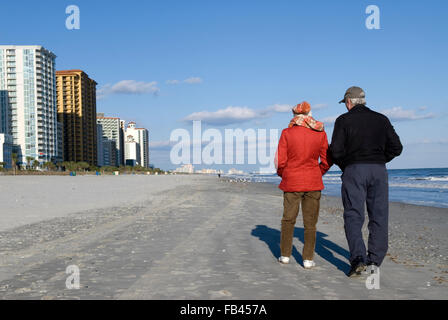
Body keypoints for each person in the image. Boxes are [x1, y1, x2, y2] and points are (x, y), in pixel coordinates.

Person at [330, 86, 403, 277]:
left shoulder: (343, 120)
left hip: (354, 170)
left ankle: (358, 259)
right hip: (378, 171)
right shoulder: (381, 119)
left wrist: (348, 164)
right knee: (379, 216)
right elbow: (397, 147)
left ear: (348, 102)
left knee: (354, 215)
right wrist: (380, 159)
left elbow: (335, 151)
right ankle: (374, 261)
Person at [275, 101, 332, 269]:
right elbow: (327, 160)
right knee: (310, 223)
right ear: (309, 115)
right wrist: (318, 172)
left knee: (288, 220)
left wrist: (285, 174)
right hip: (313, 181)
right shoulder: (320, 133)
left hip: (292, 181)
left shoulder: (287, 133)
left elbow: (281, 161)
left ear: (295, 115)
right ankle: (307, 259)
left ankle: (285, 255)